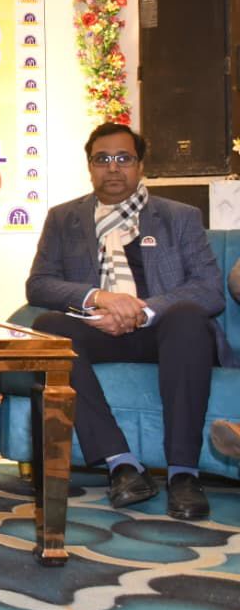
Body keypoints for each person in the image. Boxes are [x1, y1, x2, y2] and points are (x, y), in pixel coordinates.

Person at [27, 123, 229, 521]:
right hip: (99, 329)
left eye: (124, 158)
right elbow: (39, 284)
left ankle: (183, 474)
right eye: (102, 159)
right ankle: (122, 464)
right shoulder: (63, 218)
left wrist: (143, 310)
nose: (113, 167)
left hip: (166, 332)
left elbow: (209, 290)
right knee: (49, 327)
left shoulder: (179, 217)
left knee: (189, 316)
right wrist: (100, 298)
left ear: (140, 166)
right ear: (90, 166)